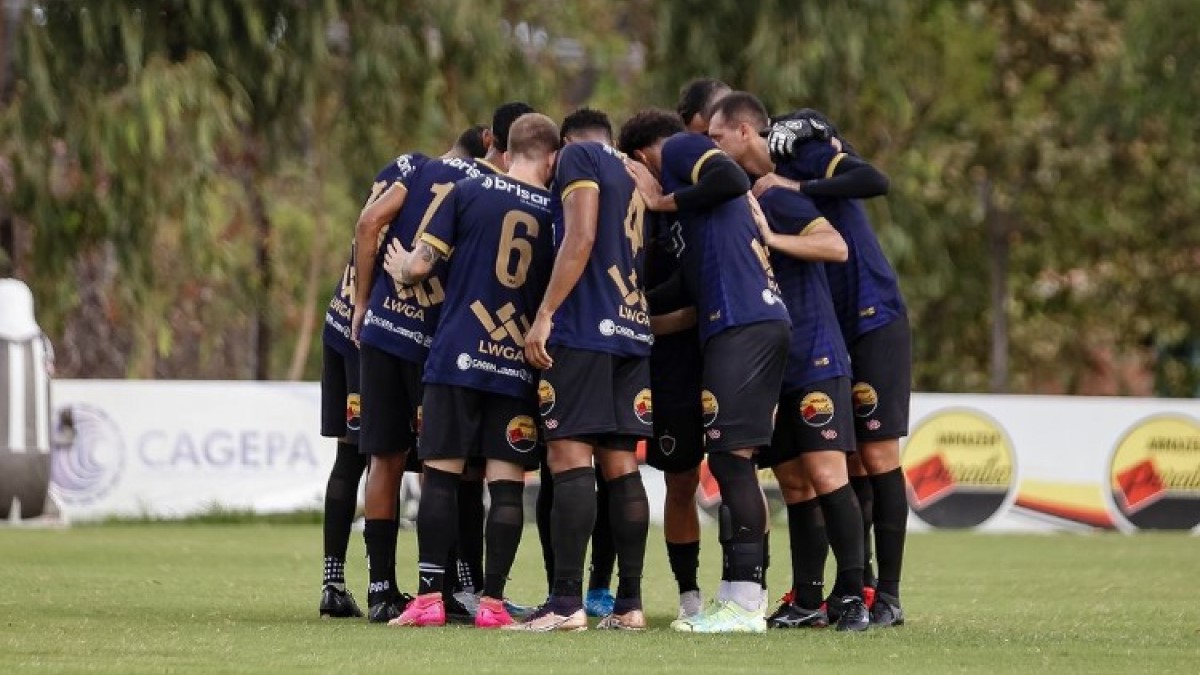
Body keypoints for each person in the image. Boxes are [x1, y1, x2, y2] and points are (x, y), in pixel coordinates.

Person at [351, 104, 531, 624]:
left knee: (386, 457)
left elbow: (368, 224)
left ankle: (385, 588)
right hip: (439, 342)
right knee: (450, 465)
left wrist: (364, 301)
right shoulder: (485, 188)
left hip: (389, 329)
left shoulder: (421, 167)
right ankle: (454, 587)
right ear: (493, 143)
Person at [383, 112, 560, 629]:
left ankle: (428, 601)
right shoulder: (555, 211)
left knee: (441, 476)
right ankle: (494, 605)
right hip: (517, 364)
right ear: (550, 158)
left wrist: (400, 268)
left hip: (458, 355)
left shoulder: (466, 188)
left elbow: (419, 266)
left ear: (505, 150)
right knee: (507, 485)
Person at [621, 109, 791, 633]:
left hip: (746, 322)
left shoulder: (678, 151)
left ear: (641, 156)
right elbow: (682, 291)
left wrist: (660, 197)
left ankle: (742, 603)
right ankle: (742, 596)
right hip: (740, 323)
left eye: (633, 169)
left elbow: (731, 176)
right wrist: (626, 302)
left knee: (732, 462)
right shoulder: (696, 224)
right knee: (732, 460)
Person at [708, 91, 870, 631]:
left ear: (746, 133)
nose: (713, 147)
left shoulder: (778, 194)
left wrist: (771, 237)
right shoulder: (741, 196)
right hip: (772, 365)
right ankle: (807, 596)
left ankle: (852, 595)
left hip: (817, 355)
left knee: (828, 474)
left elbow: (835, 246)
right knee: (795, 484)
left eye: (717, 137)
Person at [758, 109, 909, 627]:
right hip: (837, 330)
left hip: (874, 317)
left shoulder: (810, 157)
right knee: (847, 464)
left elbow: (875, 179)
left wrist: (798, 181)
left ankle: (886, 595)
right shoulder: (760, 190)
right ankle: (853, 587)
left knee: (877, 456)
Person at [513, 107, 654, 632]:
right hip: (631, 332)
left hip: (584, 329)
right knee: (621, 468)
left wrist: (545, 314)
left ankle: (566, 602)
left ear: (565, 145)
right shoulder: (636, 175)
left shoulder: (578, 156)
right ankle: (631, 603)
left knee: (569, 457)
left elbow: (582, 235)